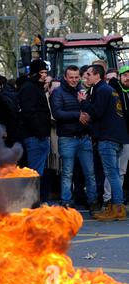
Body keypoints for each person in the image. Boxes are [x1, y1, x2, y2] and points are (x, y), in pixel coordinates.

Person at [79, 64, 129, 221]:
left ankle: (117, 209)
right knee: (114, 174)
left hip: (108, 138)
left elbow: (97, 112)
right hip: (117, 137)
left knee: (112, 175)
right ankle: (115, 207)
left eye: (88, 74)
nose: (85, 76)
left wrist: (83, 102)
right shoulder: (109, 90)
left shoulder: (101, 90)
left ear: (97, 75)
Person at [50, 65, 99, 211]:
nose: (74, 80)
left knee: (90, 172)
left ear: (80, 76)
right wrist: (77, 116)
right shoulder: (58, 93)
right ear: (65, 77)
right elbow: (57, 113)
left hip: (84, 138)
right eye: (71, 77)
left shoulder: (83, 91)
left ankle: (93, 201)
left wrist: (86, 114)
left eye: (77, 77)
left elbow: (91, 113)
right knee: (67, 173)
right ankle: (66, 201)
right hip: (67, 138)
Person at [18, 59, 52, 202]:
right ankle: (33, 202)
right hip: (35, 137)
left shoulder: (34, 87)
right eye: (42, 72)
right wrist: (40, 132)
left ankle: (34, 201)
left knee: (37, 172)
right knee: (35, 173)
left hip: (38, 136)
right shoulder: (30, 88)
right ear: (35, 73)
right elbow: (29, 112)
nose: (45, 75)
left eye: (45, 72)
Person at [102, 65, 129, 208]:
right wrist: (113, 81)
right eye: (125, 75)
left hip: (126, 139)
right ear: (119, 77)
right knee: (112, 171)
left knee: (121, 172)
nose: (128, 78)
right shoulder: (114, 89)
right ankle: (108, 200)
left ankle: (117, 201)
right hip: (115, 137)